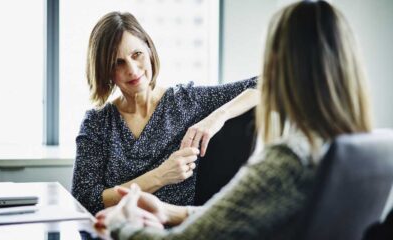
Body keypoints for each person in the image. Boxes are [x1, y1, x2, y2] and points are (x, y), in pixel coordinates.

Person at [93, 1, 373, 239]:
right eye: (118, 62)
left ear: (278, 63)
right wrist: (169, 210)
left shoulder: (288, 159)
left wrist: (122, 225)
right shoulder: (359, 151)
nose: (131, 68)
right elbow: (248, 211)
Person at [71, 11, 259, 215]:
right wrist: (161, 176)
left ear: (149, 50)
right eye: (119, 63)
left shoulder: (186, 101)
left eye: (136, 55)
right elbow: (85, 198)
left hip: (176, 231)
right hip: (113, 232)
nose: (133, 70)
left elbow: (268, 82)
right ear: (105, 70)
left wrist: (217, 117)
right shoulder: (97, 122)